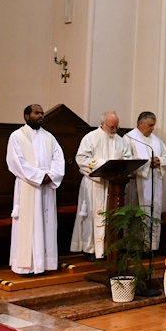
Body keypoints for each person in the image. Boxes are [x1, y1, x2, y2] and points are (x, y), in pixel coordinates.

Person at [6, 104, 65, 276]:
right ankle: (25, 266)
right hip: (28, 185)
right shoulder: (17, 136)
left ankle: (44, 263)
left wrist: (51, 175)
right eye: (36, 113)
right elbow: (15, 162)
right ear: (26, 116)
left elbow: (58, 159)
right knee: (29, 225)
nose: (40, 116)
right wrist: (39, 177)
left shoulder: (49, 137)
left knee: (45, 224)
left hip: (46, 189)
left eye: (42, 113)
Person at [71, 111, 132, 261]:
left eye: (117, 127)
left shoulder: (121, 140)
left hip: (113, 186)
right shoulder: (91, 138)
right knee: (93, 216)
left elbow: (128, 158)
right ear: (103, 124)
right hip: (94, 184)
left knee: (110, 216)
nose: (114, 130)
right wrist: (103, 165)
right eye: (111, 127)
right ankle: (90, 249)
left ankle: (108, 248)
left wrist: (117, 167)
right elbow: (81, 158)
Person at [124, 111, 166, 251]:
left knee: (153, 211)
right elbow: (126, 159)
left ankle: (151, 247)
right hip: (136, 183)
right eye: (150, 125)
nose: (152, 128)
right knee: (137, 213)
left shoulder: (156, 140)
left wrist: (159, 161)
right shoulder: (129, 139)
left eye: (154, 125)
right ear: (141, 123)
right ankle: (135, 248)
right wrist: (147, 164)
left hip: (154, 182)